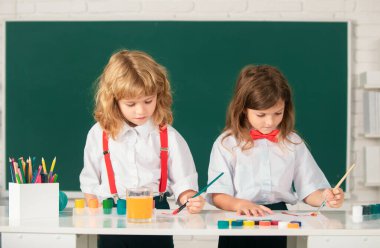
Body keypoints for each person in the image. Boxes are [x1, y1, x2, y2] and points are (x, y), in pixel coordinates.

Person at [206, 65, 344, 248]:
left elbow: (309, 190)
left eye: (278, 113)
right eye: (261, 115)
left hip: (278, 220)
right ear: (243, 109)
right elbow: (217, 194)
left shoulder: (293, 142)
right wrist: (239, 204)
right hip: (238, 218)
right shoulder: (227, 144)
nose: (270, 121)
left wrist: (327, 197)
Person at [80, 49, 205, 248]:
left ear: (159, 95)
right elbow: (90, 181)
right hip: (112, 215)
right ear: (114, 101)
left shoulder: (168, 136)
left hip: (157, 215)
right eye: (131, 104)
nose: (141, 110)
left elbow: (184, 181)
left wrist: (189, 198)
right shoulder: (99, 134)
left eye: (148, 101)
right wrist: (93, 215)